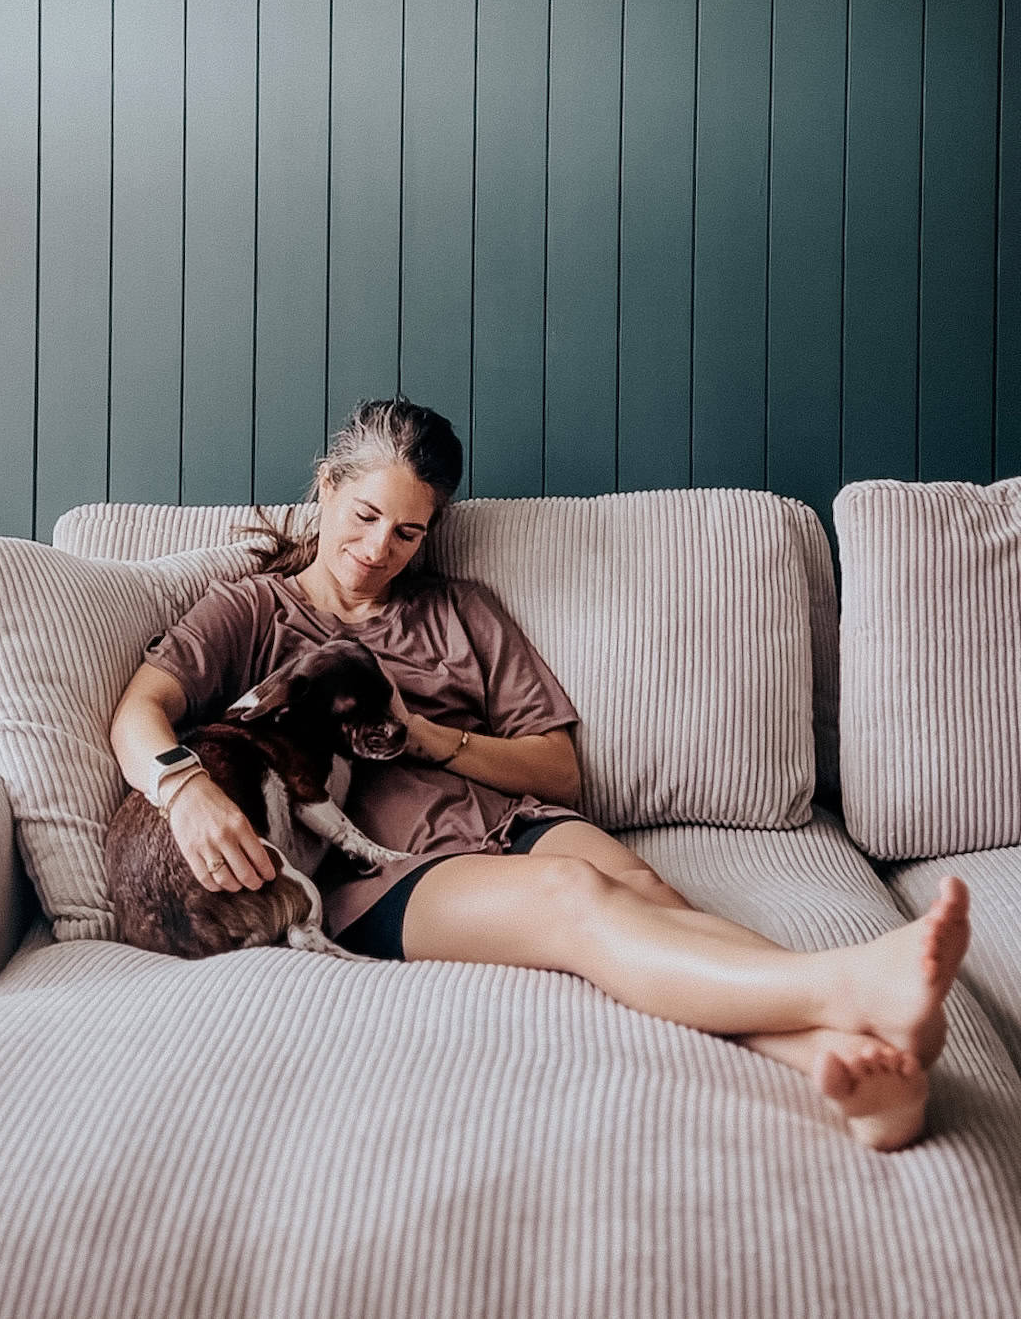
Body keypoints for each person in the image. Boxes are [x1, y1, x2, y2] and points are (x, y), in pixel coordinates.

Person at [109, 396, 971, 1153]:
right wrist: (182, 788)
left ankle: (852, 1067)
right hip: (386, 870)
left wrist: (426, 737)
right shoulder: (253, 611)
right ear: (327, 485)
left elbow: (557, 769)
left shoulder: (461, 610)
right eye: (365, 514)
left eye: (408, 531)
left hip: (512, 815)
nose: (378, 549)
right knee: (574, 899)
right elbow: (139, 708)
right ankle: (844, 986)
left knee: (641, 885)